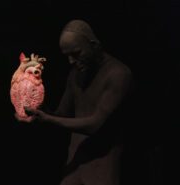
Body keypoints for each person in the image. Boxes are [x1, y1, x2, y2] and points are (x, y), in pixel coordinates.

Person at [23, 19, 133, 185]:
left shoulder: (118, 74)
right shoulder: (76, 74)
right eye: (67, 56)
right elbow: (62, 115)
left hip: (103, 163)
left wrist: (49, 118)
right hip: (76, 162)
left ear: (94, 45)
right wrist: (39, 107)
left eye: (76, 53)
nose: (71, 61)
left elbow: (94, 125)